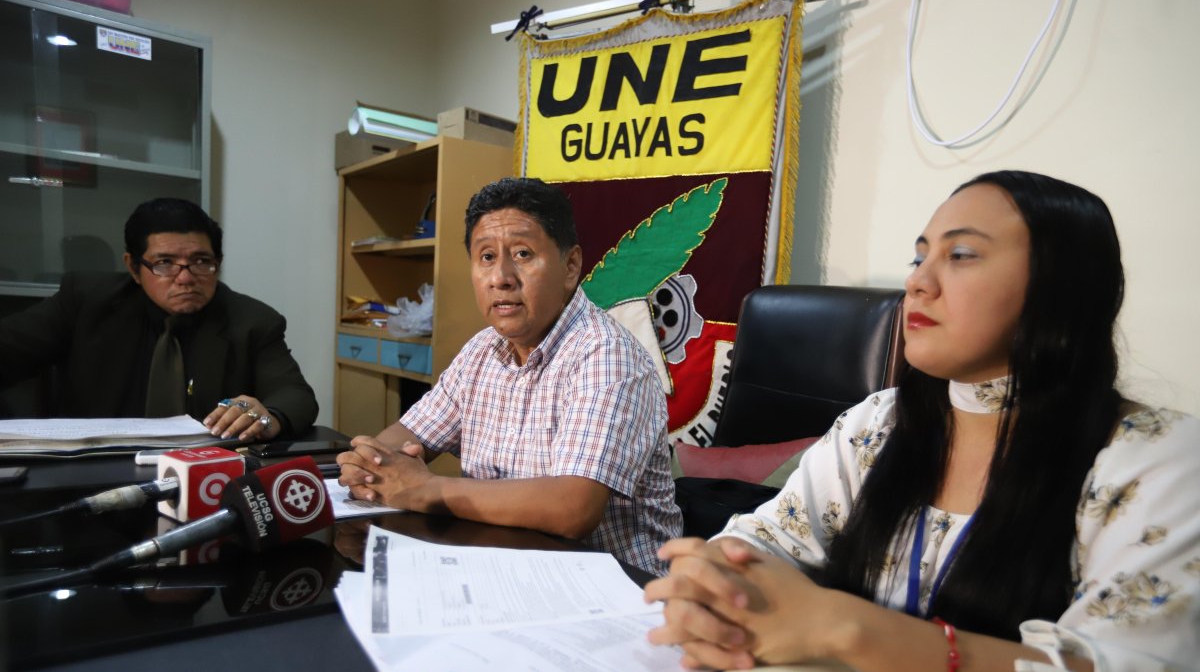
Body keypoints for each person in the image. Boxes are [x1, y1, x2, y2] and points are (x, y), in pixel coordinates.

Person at [643, 171, 1200, 670]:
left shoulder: (1156, 460)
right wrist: (714, 583)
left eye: (960, 256)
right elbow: (765, 542)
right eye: (919, 257)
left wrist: (853, 633)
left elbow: (1127, 662)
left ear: (1062, 288)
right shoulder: (876, 426)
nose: (917, 282)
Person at [337, 177, 683, 576]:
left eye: (522, 254)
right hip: (503, 570)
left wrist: (422, 488)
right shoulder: (482, 350)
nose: (500, 276)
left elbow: (572, 509)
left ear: (570, 266)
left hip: (617, 587)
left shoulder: (606, 355)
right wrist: (369, 464)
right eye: (486, 257)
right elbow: (406, 438)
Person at [0, 198, 318, 441]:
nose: (185, 278)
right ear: (134, 267)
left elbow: (295, 396)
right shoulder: (86, 302)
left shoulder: (252, 320)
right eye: (165, 263)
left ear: (217, 263)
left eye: (201, 262)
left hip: (203, 479)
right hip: (91, 476)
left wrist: (267, 416)